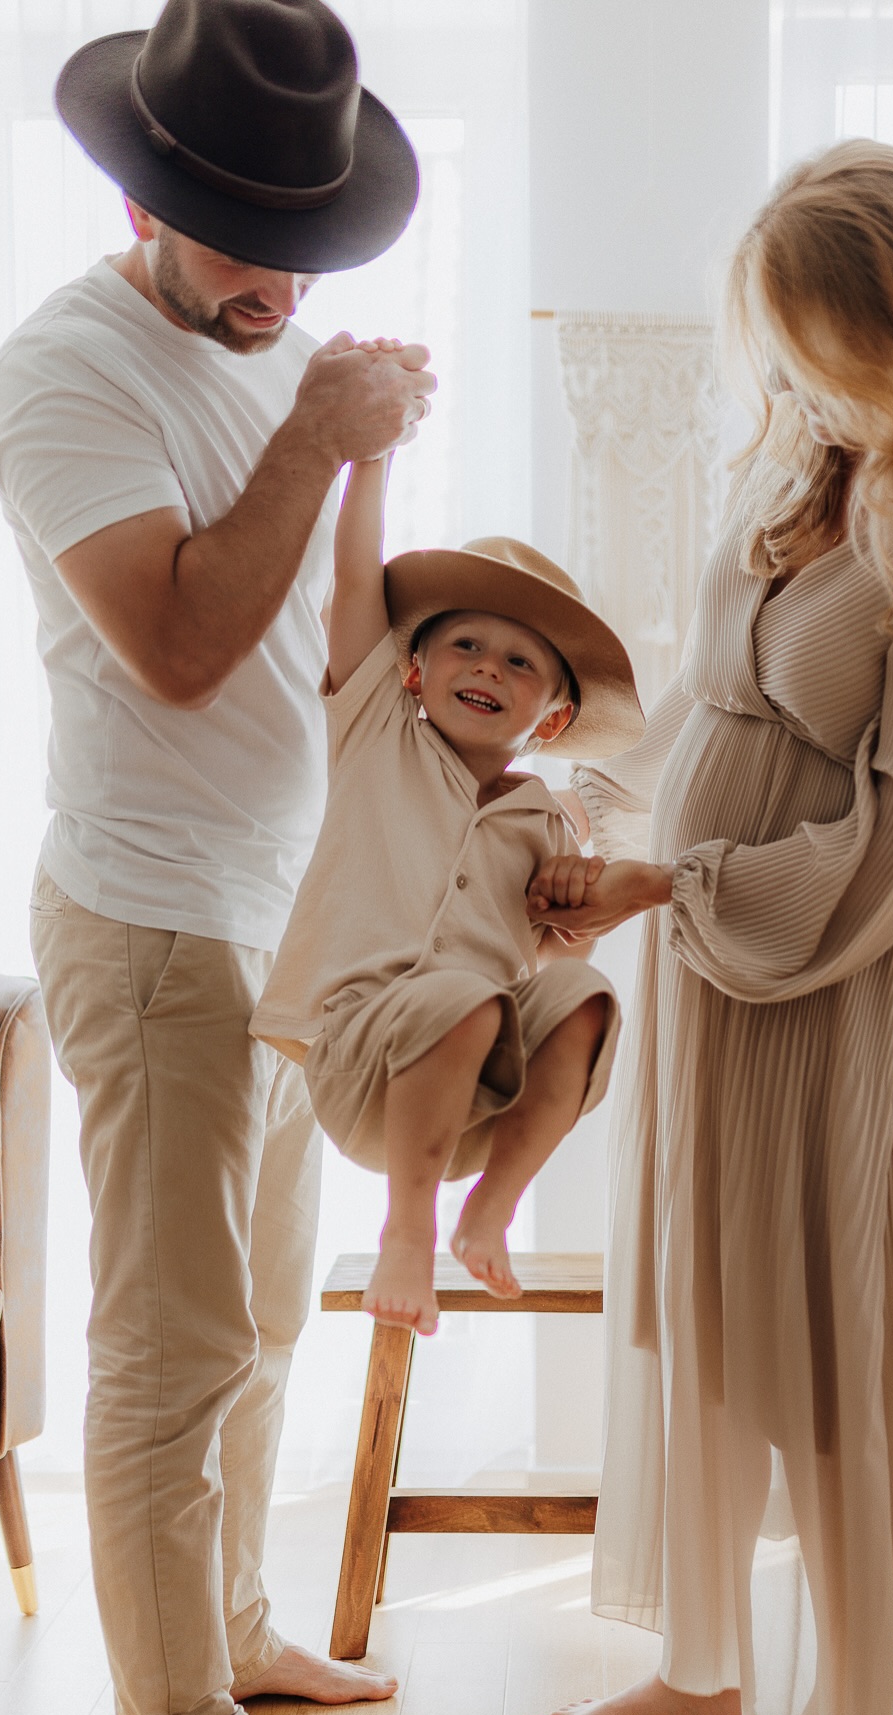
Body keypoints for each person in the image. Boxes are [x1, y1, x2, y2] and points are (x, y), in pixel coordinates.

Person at [523, 140, 893, 1715]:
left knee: (834, 1344)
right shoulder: (808, 477)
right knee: (709, 1312)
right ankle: (701, 1674)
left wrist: (666, 880)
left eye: (815, 352)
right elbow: (713, 699)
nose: (795, 386)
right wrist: (599, 781)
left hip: (834, 990)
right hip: (711, 969)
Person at [0, 1, 436, 1715]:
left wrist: (366, 456)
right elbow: (175, 645)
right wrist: (321, 433)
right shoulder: (64, 371)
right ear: (138, 192)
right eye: (253, 243)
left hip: (281, 925)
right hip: (159, 925)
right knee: (170, 1353)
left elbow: (325, 654)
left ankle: (232, 1632)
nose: (283, 283)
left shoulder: (283, 355)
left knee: (263, 1325)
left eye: (308, 246)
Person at [249, 444, 643, 1334]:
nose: (488, 669)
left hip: (478, 1092)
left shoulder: (546, 823)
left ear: (552, 718)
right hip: (363, 1058)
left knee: (587, 999)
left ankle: (489, 1208)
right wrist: (371, 460)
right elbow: (357, 583)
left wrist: (576, 897)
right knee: (462, 997)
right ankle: (408, 1230)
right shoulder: (378, 731)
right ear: (414, 669)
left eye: (517, 664)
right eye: (466, 645)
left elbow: (558, 946)